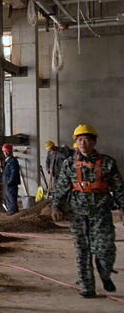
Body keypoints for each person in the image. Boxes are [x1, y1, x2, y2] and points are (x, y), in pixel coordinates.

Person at [50, 125, 124, 298]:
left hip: (101, 212)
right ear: (76, 142)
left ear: (94, 141)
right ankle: (87, 287)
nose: (83, 143)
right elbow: (61, 187)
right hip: (77, 213)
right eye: (80, 140)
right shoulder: (69, 164)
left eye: (87, 139)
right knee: (82, 250)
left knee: (105, 249)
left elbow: (119, 187)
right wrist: (57, 207)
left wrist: (122, 206)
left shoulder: (107, 162)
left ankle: (105, 274)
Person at [1, 144, 21, 215]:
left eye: (7, 151)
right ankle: (10, 210)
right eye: (4, 152)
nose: (6, 153)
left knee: (11, 197)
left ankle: (13, 211)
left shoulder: (13, 161)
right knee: (8, 197)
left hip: (11, 183)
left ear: (11, 151)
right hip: (7, 182)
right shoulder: (7, 161)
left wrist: (10, 182)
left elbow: (14, 172)